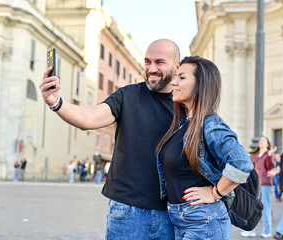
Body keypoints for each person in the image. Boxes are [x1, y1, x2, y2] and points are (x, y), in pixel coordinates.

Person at [39, 39, 181, 239]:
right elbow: (88, 119)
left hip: (173, 215)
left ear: (177, 67)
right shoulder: (128, 96)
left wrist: (215, 192)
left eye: (159, 62)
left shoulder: (187, 104)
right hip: (128, 213)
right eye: (147, 62)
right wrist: (55, 102)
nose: (151, 69)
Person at [156, 56, 253, 240]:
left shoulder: (210, 124)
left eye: (182, 77)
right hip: (178, 218)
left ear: (200, 84)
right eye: (175, 76)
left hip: (203, 220)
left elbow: (241, 163)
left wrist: (215, 193)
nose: (174, 82)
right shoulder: (182, 124)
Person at [240, 137, 276, 238]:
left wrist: (269, 156)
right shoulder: (255, 156)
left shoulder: (269, 154)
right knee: (252, 207)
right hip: (255, 183)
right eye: (260, 140)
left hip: (265, 183)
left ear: (268, 144)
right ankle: (251, 230)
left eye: (264, 140)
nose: (261, 141)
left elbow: (270, 167)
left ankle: (267, 231)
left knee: (265, 207)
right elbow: (249, 167)